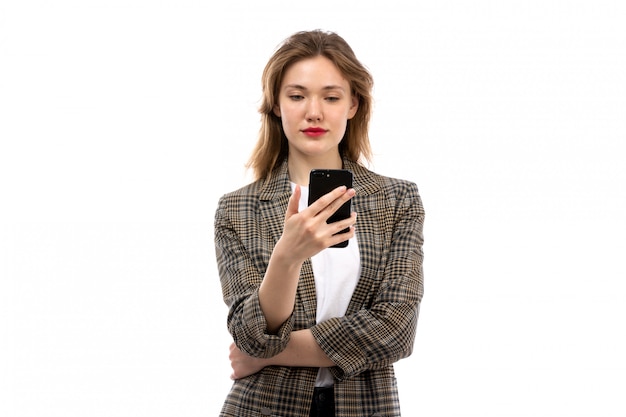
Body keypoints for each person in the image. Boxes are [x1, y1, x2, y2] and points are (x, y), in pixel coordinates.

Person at [214, 29, 425, 417]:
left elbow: (396, 329)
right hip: (263, 407)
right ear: (276, 105)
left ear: (353, 105)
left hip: (366, 407)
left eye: (331, 97)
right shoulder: (238, 209)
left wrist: (267, 355)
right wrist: (286, 258)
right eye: (297, 96)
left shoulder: (397, 200)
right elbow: (248, 334)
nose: (314, 111)